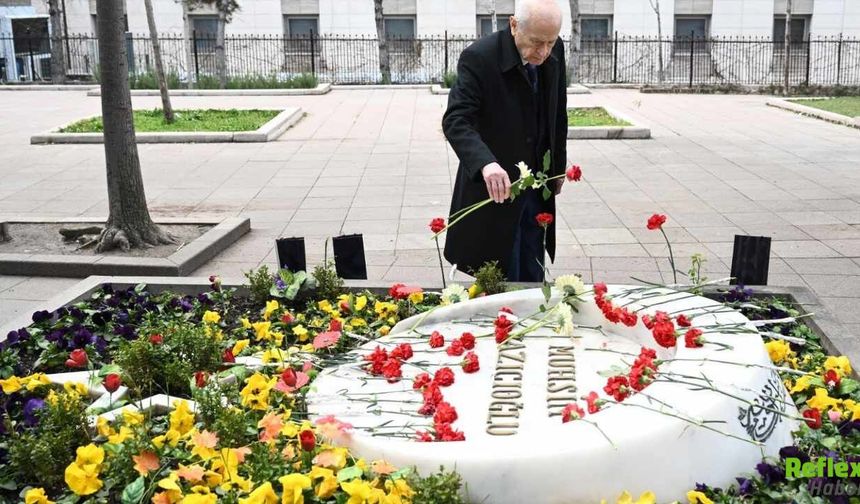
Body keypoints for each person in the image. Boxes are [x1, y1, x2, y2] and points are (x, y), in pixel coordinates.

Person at [442, 0, 567, 282]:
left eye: (550, 42)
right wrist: (486, 163)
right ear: (513, 25)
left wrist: (558, 167)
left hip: (536, 185)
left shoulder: (553, 49)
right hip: (497, 187)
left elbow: (557, 113)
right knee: (499, 273)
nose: (544, 52)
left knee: (533, 269)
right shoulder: (479, 57)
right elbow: (456, 119)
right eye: (537, 42)